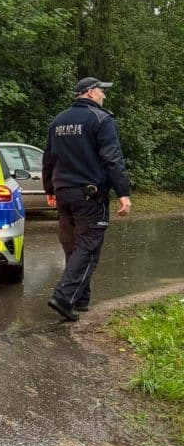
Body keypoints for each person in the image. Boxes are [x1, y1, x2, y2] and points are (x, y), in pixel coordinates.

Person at [42, 77, 132, 321]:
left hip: (63, 193)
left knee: (73, 246)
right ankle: (64, 297)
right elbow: (112, 158)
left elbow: (48, 158)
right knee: (88, 247)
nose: (104, 96)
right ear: (91, 93)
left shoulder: (58, 121)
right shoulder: (101, 119)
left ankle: (80, 299)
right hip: (89, 195)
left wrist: (49, 189)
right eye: (102, 91)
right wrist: (123, 193)